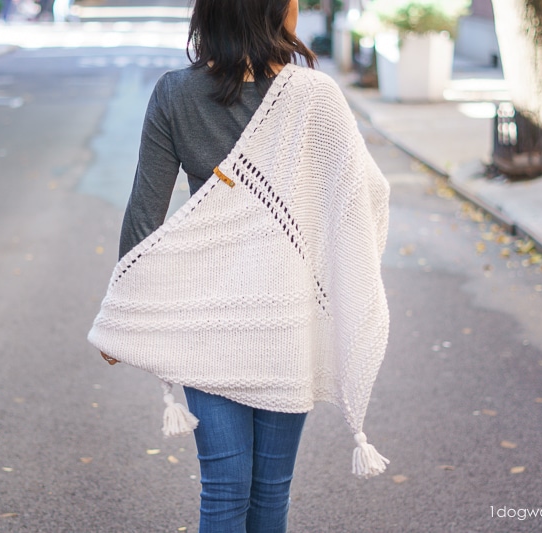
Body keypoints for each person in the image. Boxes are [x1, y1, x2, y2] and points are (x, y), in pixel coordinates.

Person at [88, 0, 391, 531]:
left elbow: (145, 213)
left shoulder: (175, 94)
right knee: (270, 494)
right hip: (287, 323)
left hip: (209, 323)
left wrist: (123, 311)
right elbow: (365, 196)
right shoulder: (316, 98)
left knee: (224, 491)